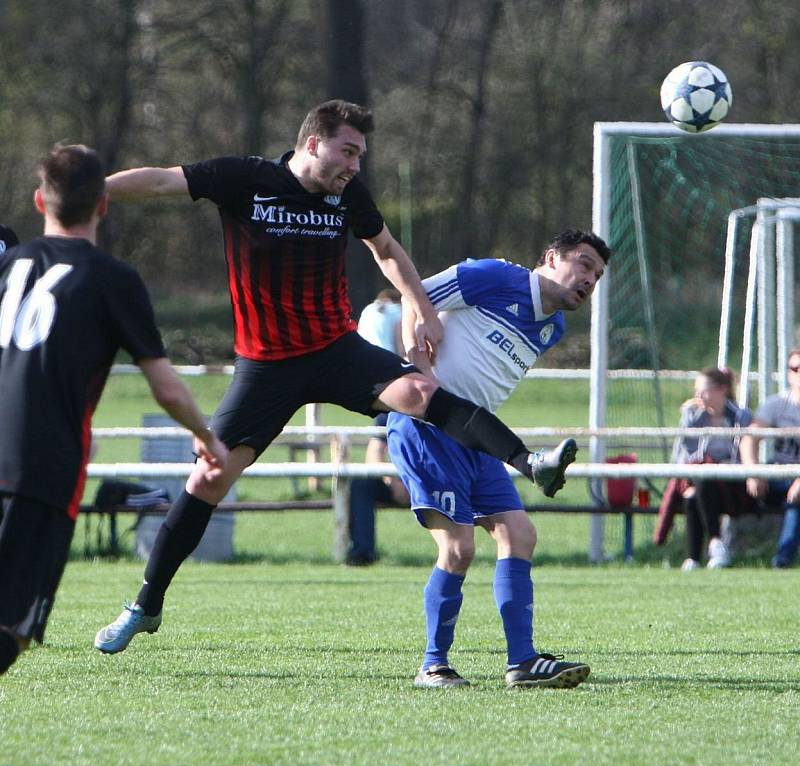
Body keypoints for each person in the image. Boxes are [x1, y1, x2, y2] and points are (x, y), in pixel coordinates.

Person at [94, 99, 575, 654]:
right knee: (208, 478)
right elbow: (158, 182)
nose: (355, 165)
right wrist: (92, 195)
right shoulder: (245, 178)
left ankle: (529, 461)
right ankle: (145, 606)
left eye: (361, 156)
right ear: (313, 142)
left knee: (421, 392)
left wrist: (419, 304)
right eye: (348, 151)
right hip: (267, 366)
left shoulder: (348, 195)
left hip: (335, 351)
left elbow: (386, 248)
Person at [0, 144, 228, 675]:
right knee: (12, 629)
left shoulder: (9, 265)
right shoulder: (112, 279)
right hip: (40, 470)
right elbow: (167, 389)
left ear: (39, 201)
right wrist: (206, 436)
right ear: (103, 204)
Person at [386, 229, 609, 689]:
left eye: (598, 275)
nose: (590, 279)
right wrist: (419, 368)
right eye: (584, 264)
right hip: (428, 427)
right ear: (551, 257)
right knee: (458, 549)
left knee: (520, 533)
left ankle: (522, 662)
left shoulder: (553, 327)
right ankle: (432, 665)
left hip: (476, 435)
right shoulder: (491, 276)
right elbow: (413, 296)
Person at [667, 367, 756, 571]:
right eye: (696, 391)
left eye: (704, 391)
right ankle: (696, 557)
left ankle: (712, 544)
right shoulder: (692, 416)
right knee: (695, 490)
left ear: (722, 390)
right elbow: (682, 454)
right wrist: (686, 480)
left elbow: (743, 457)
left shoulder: (740, 417)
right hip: (697, 479)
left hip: (733, 484)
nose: (698, 396)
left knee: (704, 480)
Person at [346, 288, 408, 565]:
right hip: (401, 480)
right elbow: (376, 450)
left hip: (435, 477)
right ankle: (361, 553)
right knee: (360, 484)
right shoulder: (394, 401)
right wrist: (392, 480)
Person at [740, 348, 800, 568]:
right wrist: (754, 472)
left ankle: (782, 560)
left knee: (796, 501)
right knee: (721, 486)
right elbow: (750, 439)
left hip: (798, 481)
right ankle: (718, 552)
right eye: (794, 368)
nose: (799, 373)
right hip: (777, 474)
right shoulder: (776, 404)